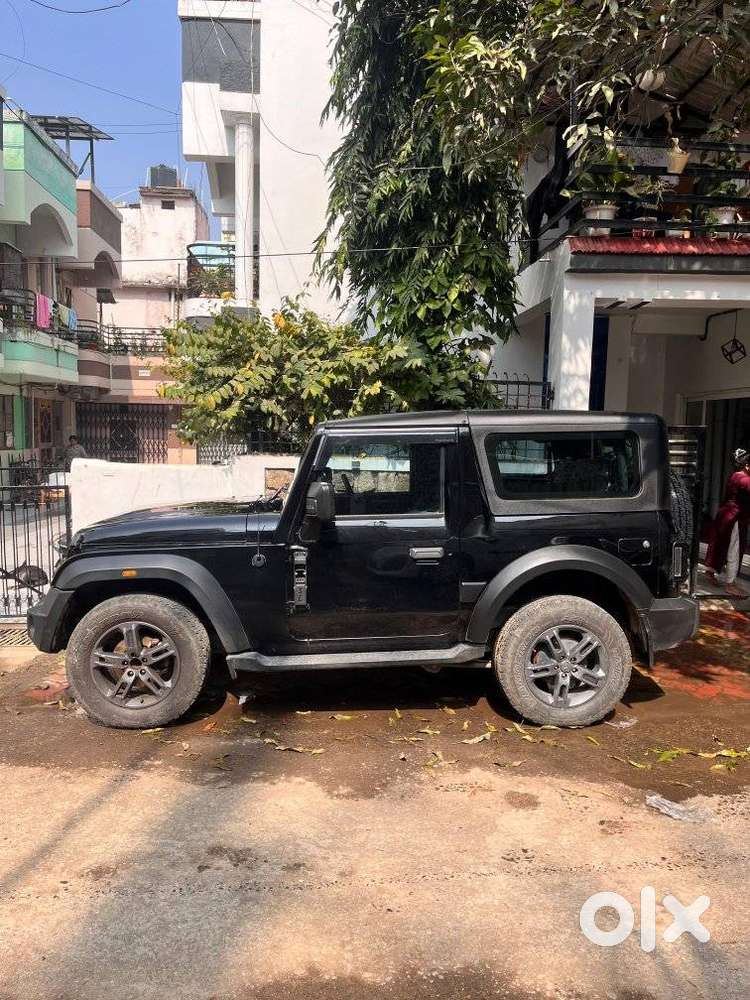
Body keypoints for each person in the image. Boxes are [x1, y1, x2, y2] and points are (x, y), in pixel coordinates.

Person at [705, 447, 750, 597]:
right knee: (734, 550)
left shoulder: (735, 476)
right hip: (734, 518)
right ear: (746, 465)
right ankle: (730, 584)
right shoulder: (744, 479)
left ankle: (710, 572)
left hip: (725, 515)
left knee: (719, 545)